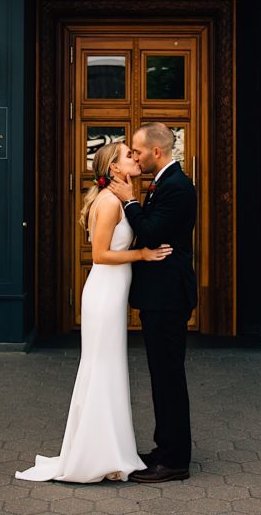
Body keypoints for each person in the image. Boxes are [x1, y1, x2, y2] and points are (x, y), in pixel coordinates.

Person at [15, 140, 172, 484]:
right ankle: (98, 455)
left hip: (113, 293)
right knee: (102, 369)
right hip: (103, 294)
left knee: (110, 370)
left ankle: (111, 452)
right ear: (114, 168)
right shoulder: (108, 203)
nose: (136, 157)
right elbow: (100, 255)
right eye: (128, 154)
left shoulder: (120, 200)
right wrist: (143, 255)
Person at [109, 122, 197, 483]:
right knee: (161, 377)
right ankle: (164, 448)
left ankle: (175, 461)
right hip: (159, 296)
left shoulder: (177, 186)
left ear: (156, 152)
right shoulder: (164, 182)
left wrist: (129, 201)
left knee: (169, 378)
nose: (135, 156)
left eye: (139, 151)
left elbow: (149, 233)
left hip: (169, 296)